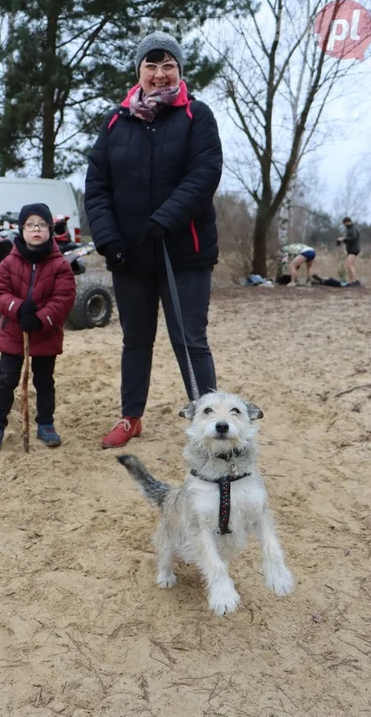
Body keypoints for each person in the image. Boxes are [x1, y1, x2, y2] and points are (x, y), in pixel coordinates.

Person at [85, 31, 223, 449]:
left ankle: (209, 420)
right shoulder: (115, 121)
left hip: (185, 253)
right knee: (135, 340)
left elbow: (204, 175)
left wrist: (164, 219)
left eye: (168, 66)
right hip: (130, 256)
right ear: (139, 72)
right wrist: (109, 240)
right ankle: (131, 418)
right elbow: (96, 185)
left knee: (190, 340)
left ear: (179, 72)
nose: (160, 74)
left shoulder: (196, 116)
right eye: (152, 65)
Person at [0, 203, 76, 452]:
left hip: (46, 334)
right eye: (30, 225)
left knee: (44, 381)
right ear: (21, 229)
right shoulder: (9, 263)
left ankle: (45, 423)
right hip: (14, 333)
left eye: (42, 225)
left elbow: (64, 299)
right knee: (5, 380)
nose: (36, 229)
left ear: (50, 229)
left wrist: (41, 318)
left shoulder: (60, 265)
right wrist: (17, 307)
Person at [336, 217, 361, 286]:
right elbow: (350, 239)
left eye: (344, 224)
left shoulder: (353, 228)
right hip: (352, 250)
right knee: (351, 265)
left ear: (347, 222)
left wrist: (343, 239)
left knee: (349, 265)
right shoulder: (351, 228)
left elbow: (353, 238)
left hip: (353, 250)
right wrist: (343, 239)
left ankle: (354, 281)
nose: (344, 225)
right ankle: (350, 282)